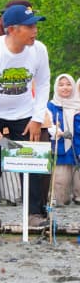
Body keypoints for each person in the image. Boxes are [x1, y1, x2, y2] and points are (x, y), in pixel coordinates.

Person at [0, 3, 51, 230]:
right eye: (30, 26)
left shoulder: (39, 50)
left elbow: (44, 83)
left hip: (24, 113)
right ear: (13, 29)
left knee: (30, 159)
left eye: (35, 25)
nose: (35, 30)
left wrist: (37, 118)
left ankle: (34, 213)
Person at [47, 74, 80, 206]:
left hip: (78, 148)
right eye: (61, 85)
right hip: (61, 148)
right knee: (61, 188)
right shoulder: (51, 106)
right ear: (56, 87)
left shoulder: (78, 105)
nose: (65, 88)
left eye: (68, 84)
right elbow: (48, 124)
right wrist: (57, 131)